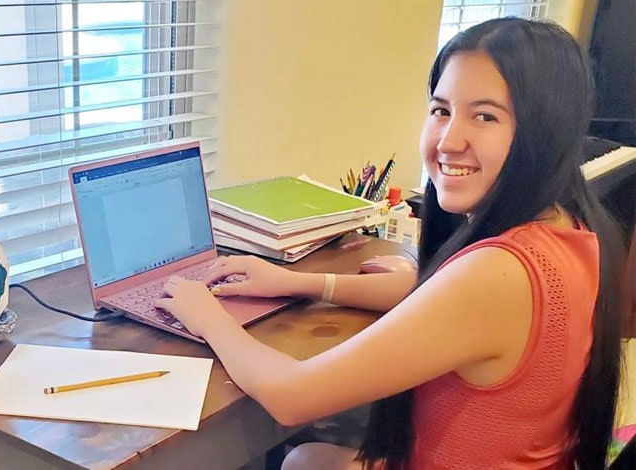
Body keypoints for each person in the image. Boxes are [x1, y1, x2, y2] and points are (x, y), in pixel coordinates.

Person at [156, 17, 626, 469]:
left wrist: (208, 317)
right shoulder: (573, 227)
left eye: (485, 116)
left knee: (304, 455)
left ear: (545, 132)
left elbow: (292, 396)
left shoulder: (499, 273)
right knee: (308, 458)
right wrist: (298, 282)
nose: (448, 140)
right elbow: (434, 300)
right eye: (441, 110)